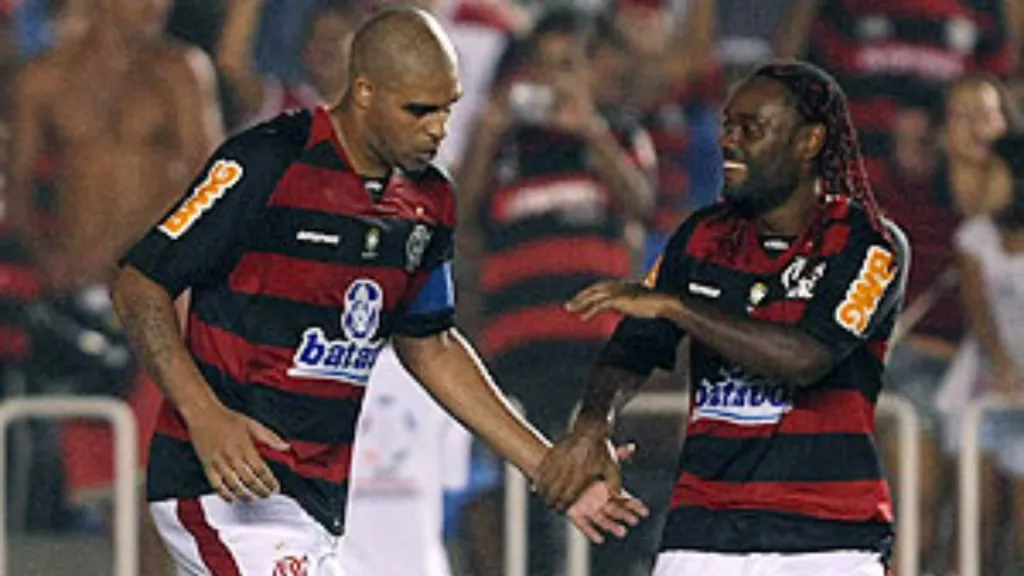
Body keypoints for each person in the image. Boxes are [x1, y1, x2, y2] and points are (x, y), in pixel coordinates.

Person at [111, 8, 646, 575]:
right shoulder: (267, 161)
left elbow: (431, 344)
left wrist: (548, 468)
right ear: (363, 91)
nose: (438, 128)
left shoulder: (428, 200)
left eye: (447, 108)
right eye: (419, 109)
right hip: (220, 490)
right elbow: (139, 283)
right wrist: (204, 415)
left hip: (313, 502)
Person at [536, 60, 910, 576]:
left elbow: (805, 357)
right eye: (727, 125)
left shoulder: (868, 241)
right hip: (701, 534)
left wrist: (678, 306)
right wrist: (594, 421)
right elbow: (632, 348)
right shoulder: (702, 237)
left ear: (809, 142)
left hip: (828, 539)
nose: (730, 141)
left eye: (751, 129)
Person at [340, 344, 470, 576]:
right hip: (420, 563)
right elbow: (454, 478)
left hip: (340, 562)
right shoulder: (450, 374)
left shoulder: (326, 373)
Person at [217, 0, 361, 129]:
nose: (323, 48)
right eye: (314, 39)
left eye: (334, 38)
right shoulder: (278, 101)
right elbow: (231, 63)